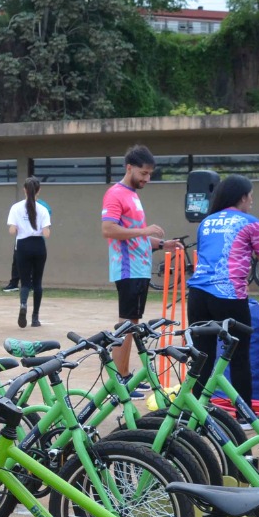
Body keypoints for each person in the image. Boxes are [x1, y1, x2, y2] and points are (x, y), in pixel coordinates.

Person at [186, 175, 259, 401]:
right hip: (227, 294)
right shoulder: (250, 222)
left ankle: (197, 412)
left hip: (197, 294)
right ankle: (245, 415)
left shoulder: (206, 222)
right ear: (242, 197)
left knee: (203, 355)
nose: (252, 201)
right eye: (251, 196)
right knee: (239, 355)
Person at [101, 145, 166, 389]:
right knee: (126, 326)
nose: (147, 179)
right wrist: (144, 231)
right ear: (130, 168)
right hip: (127, 270)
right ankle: (120, 379)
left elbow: (137, 237)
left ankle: (125, 374)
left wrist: (161, 244)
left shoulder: (133, 196)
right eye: (144, 173)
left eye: (150, 174)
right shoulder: (115, 194)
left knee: (133, 325)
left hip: (140, 269)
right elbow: (108, 230)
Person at [7, 176, 50, 328]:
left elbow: (12, 230)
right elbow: (46, 233)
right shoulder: (43, 209)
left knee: (25, 282)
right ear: (38, 190)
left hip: (23, 246)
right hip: (38, 245)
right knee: (37, 283)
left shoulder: (15, 207)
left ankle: (23, 304)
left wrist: (19, 227)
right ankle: (35, 318)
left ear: (24, 190)